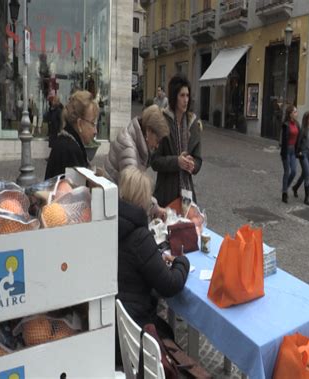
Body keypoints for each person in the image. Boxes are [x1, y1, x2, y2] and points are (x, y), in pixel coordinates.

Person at [116, 166, 189, 363]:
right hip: (135, 325)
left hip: (118, 321)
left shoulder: (112, 224)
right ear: (142, 199)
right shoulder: (138, 236)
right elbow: (170, 285)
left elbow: (135, 262)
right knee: (167, 333)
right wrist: (182, 261)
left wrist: (155, 257)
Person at [104, 104, 170, 218]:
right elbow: (134, 192)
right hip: (114, 206)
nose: (157, 145)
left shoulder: (133, 139)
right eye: (157, 140)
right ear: (149, 131)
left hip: (115, 201)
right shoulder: (129, 148)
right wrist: (155, 208)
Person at [151, 73, 202, 207]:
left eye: (187, 95)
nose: (186, 100)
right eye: (182, 95)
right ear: (174, 97)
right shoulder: (162, 121)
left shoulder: (193, 123)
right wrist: (176, 162)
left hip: (187, 193)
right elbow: (155, 161)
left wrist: (193, 165)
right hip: (166, 193)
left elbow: (198, 159)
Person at [45, 90, 99, 179]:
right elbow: (77, 191)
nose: (95, 131)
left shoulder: (67, 141)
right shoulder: (70, 150)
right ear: (80, 124)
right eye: (93, 123)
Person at [291, 111, 309, 206]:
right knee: (308, 174)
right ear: (306, 119)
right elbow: (298, 142)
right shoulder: (303, 129)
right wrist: (298, 152)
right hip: (303, 154)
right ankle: (306, 197)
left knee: (304, 174)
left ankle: (295, 187)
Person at [280, 105, 300, 203]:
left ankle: (285, 188)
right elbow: (283, 141)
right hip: (286, 150)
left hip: (293, 151)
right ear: (290, 114)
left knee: (294, 172)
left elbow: (299, 138)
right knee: (287, 172)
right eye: (295, 112)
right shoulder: (286, 125)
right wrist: (283, 154)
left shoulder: (297, 124)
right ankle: (284, 193)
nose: (297, 113)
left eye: (296, 111)